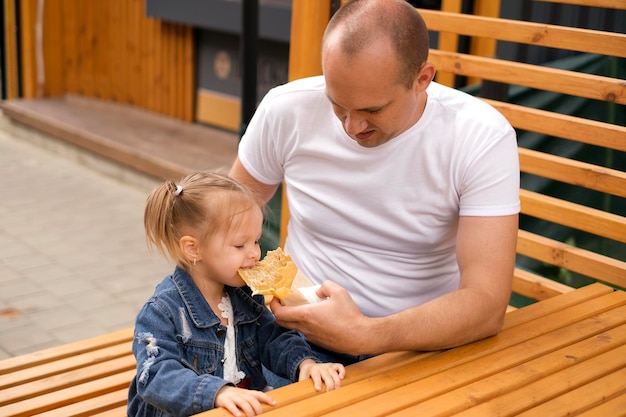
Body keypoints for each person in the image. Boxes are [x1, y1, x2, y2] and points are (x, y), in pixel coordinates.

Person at [229, 0, 520, 362]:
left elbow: (487, 303)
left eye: (372, 110)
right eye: (338, 104)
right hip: (291, 337)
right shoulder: (287, 109)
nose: (352, 127)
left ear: (422, 79)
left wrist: (367, 335)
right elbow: (223, 223)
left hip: (417, 350)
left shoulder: (479, 136)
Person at [127, 171, 345, 417]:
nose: (254, 253)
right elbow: (155, 376)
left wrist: (305, 363)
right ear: (193, 248)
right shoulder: (162, 311)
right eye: (240, 245)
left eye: (256, 241)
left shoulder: (245, 296)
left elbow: (272, 338)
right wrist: (217, 393)